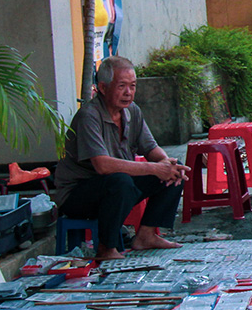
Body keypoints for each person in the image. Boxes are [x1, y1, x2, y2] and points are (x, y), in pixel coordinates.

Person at [53, 56, 191, 260]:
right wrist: (154, 168)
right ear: (103, 87)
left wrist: (164, 163)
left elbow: (150, 147)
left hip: (114, 187)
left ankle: (146, 235)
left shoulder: (132, 111)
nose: (128, 92)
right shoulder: (89, 116)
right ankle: (106, 248)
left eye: (133, 86)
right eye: (122, 86)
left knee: (175, 169)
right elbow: (102, 166)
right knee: (121, 181)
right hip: (78, 194)